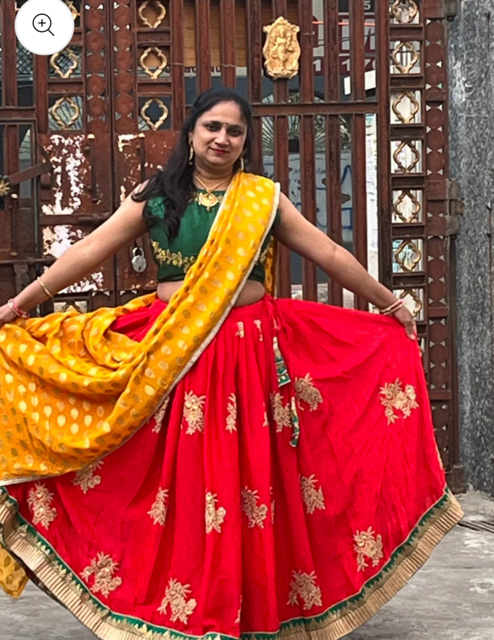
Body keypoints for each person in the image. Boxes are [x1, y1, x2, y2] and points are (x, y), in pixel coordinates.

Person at [0, 88, 462, 640]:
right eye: (212, 127)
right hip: (176, 353)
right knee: (183, 483)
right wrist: (22, 302)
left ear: (245, 143)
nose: (222, 139)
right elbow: (89, 250)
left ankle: (252, 607)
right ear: (191, 133)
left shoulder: (261, 199)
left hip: (250, 356)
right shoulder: (157, 195)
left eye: (234, 131)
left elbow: (330, 253)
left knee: (249, 483)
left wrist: (389, 302)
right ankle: (186, 605)